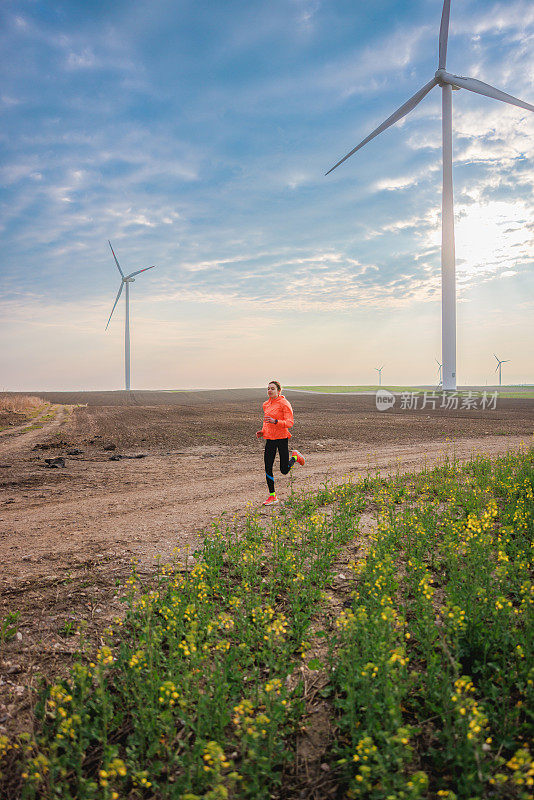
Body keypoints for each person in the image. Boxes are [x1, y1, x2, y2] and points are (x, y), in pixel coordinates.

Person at [256, 380, 305, 506]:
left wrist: (276, 421)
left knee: (284, 470)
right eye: (268, 388)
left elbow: (290, 423)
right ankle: (272, 496)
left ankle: (295, 457)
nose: (269, 390)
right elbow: (266, 421)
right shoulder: (266, 404)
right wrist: (262, 431)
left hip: (282, 438)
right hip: (270, 439)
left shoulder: (284, 403)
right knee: (268, 467)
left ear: (278, 391)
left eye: (272, 388)